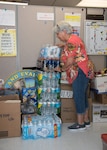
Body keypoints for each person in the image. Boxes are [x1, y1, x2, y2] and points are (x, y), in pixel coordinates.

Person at [53, 21, 94, 131]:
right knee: (82, 95)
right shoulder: (74, 39)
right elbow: (75, 49)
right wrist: (63, 46)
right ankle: (86, 120)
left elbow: (70, 60)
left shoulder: (71, 42)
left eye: (58, 34)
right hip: (84, 70)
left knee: (78, 96)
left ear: (64, 31)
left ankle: (80, 124)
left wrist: (61, 69)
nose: (57, 36)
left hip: (79, 71)